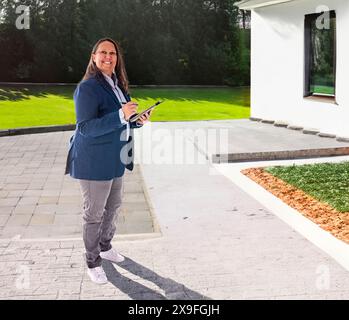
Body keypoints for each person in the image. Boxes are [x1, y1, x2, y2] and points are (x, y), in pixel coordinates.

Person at [65, 38, 151, 284]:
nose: (108, 56)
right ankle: (92, 261)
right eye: (103, 52)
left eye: (112, 53)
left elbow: (123, 119)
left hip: (115, 158)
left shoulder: (117, 85)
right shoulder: (87, 88)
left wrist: (136, 120)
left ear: (117, 58)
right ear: (93, 57)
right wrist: (120, 115)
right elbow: (86, 128)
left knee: (113, 208)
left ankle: (105, 246)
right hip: (93, 161)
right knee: (94, 214)